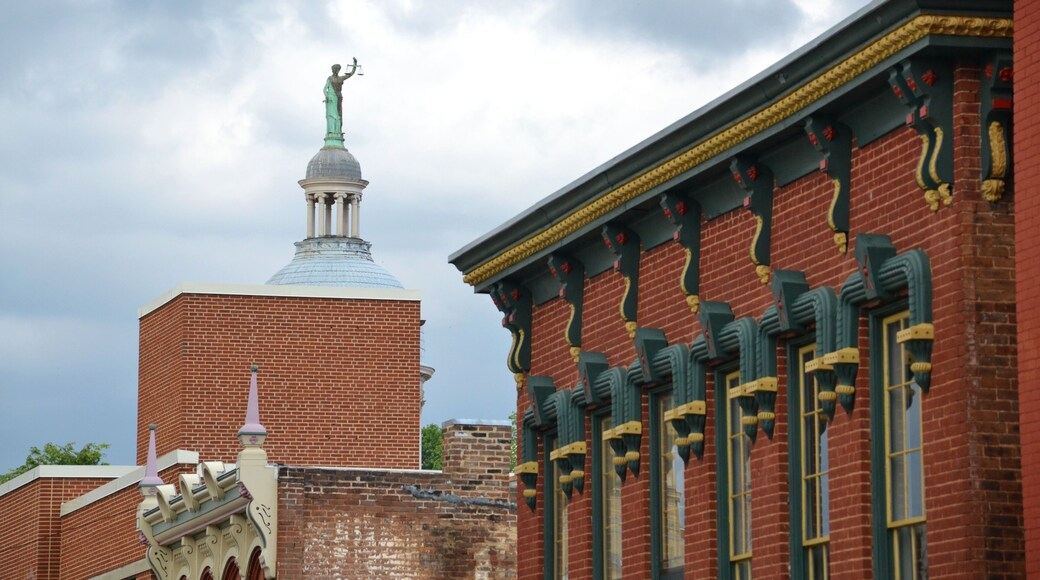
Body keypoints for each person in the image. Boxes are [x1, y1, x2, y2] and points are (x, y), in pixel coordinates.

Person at [324, 58, 359, 136]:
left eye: (338, 69)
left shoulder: (341, 78)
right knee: (332, 114)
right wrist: (327, 96)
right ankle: (332, 131)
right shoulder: (330, 79)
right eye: (336, 69)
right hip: (332, 99)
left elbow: (351, 74)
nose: (337, 71)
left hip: (339, 98)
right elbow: (324, 89)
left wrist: (355, 65)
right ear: (333, 70)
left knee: (339, 115)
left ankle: (338, 131)